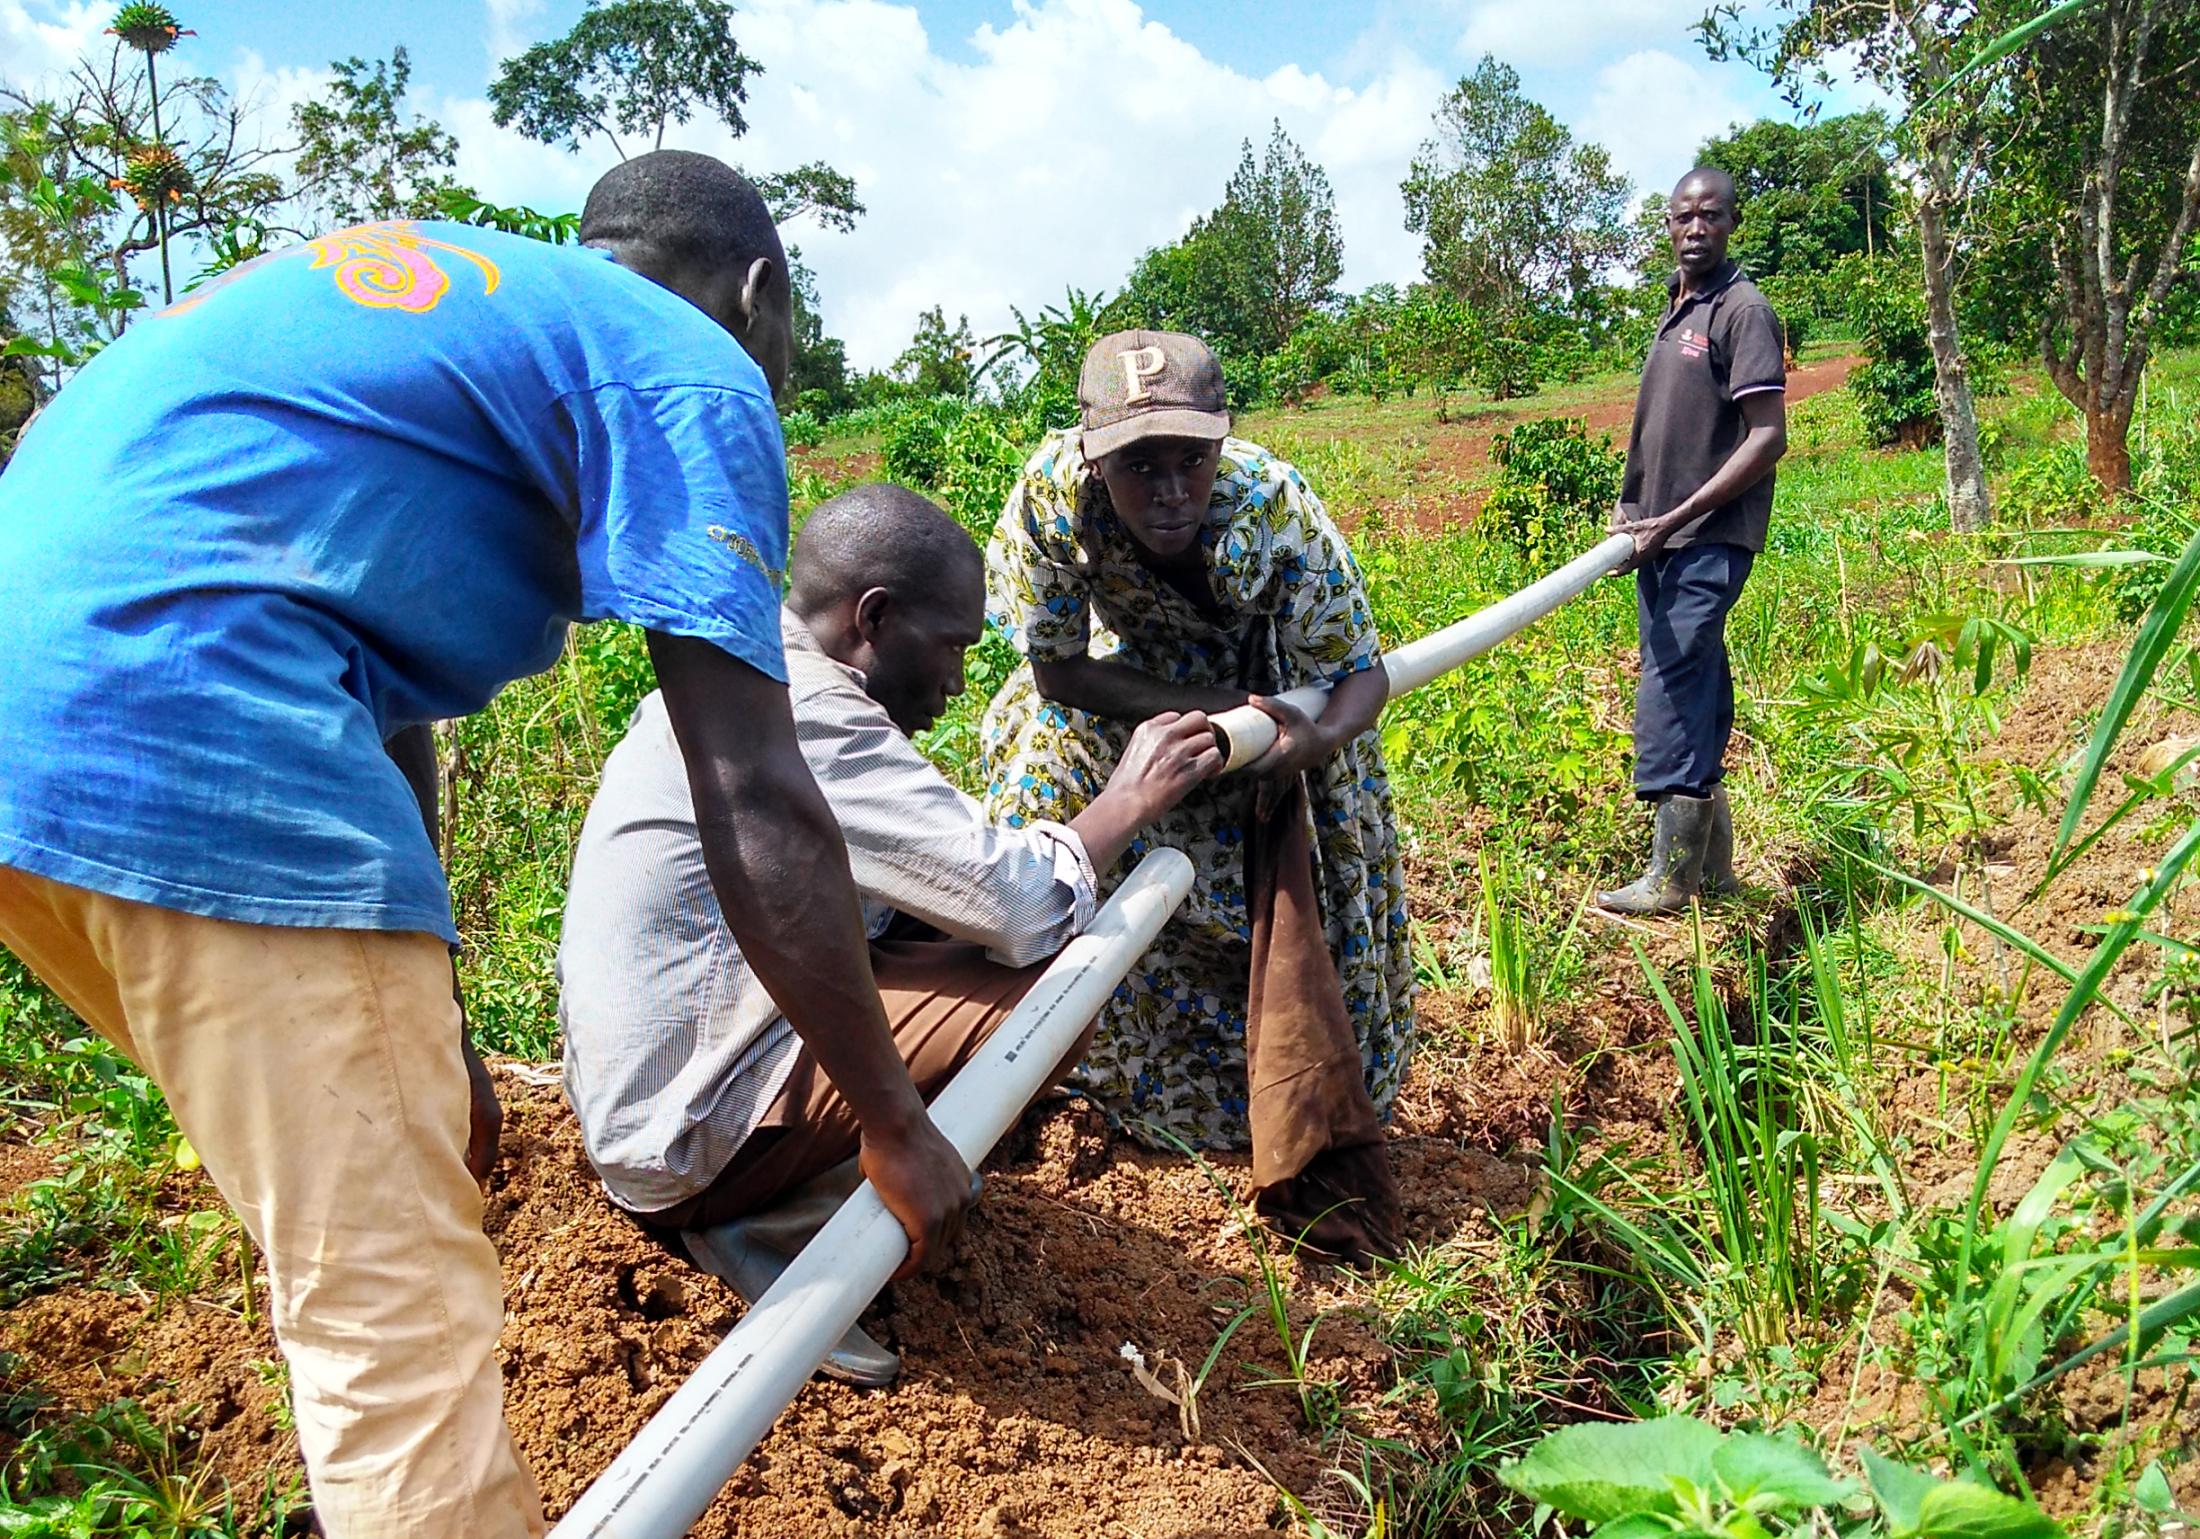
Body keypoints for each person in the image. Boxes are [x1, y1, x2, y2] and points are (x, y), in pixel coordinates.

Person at [0, 153, 978, 1539]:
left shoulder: (449, 302)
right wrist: (891, 1120)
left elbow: (371, 668)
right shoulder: (691, 365)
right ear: (759, 293)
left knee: (335, 1219)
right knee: (385, 1308)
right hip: (194, 721)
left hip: (35, 742)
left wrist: (442, 1015)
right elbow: (756, 791)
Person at [559, 483, 1221, 1384]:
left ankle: (802, 1182)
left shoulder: (750, 675)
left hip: (659, 1092)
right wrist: (1126, 802)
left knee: (958, 935)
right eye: (950, 647)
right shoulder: (810, 712)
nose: (954, 681)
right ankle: (778, 1222)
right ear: (872, 618)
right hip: (691, 1131)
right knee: (1063, 980)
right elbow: (1021, 907)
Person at [981, 330, 1411, 1260]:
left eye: (1190, 459)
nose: (1170, 489)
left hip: (1276, 710)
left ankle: (1293, 1100)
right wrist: (1194, 713)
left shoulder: (1272, 504)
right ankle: (1029, 1063)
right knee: (1037, 806)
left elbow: (1358, 673)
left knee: (1311, 902)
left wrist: (1308, 739)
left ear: (1223, 445)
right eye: (1139, 465)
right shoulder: (1051, 503)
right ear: (1095, 456)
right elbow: (1057, 671)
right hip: (1124, 693)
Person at [1598, 167, 1790, 916]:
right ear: (1668, 225)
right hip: (1663, 537)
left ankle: (1671, 879)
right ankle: (1714, 870)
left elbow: (1767, 437)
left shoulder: (1742, 311)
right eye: (1683, 217)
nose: (1696, 229)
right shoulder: (1678, 307)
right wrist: (1633, 509)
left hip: (1709, 535)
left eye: (1711, 216)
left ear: (1733, 222)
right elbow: (1660, 429)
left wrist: (1673, 519)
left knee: (1673, 682)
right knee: (1695, 676)